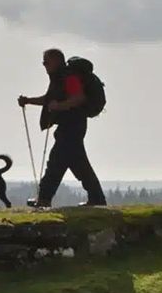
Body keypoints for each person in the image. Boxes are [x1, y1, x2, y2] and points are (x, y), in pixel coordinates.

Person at [19, 48, 106, 208]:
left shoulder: (68, 77)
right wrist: (29, 101)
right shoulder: (60, 78)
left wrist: (59, 106)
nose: (44, 64)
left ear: (56, 61)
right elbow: (48, 99)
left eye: (46, 61)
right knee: (79, 165)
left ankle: (43, 199)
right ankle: (97, 199)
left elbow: (78, 98)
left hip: (73, 125)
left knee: (56, 162)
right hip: (72, 125)